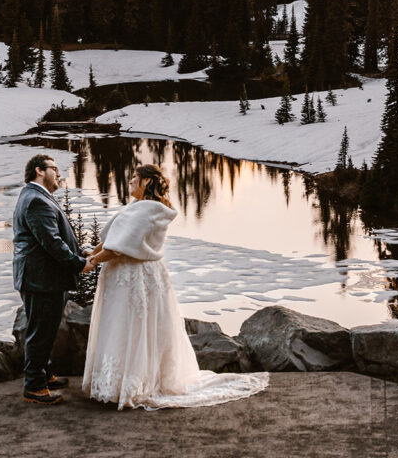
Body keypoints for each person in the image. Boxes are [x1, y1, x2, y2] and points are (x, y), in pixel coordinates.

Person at [82, 163, 269, 410]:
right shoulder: (139, 208)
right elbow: (110, 238)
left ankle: (132, 385)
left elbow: (118, 247)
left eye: (134, 178)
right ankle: (118, 383)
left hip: (134, 277)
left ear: (146, 182)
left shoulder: (146, 211)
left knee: (131, 326)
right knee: (129, 325)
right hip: (136, 276)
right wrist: (91, 254)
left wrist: (92, 262)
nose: (129, 183)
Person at [12, 153, 92, 405]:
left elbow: (54, 235)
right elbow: (51, 242)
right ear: (39, 170)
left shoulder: (36, 197)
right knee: (40, 332)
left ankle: (43, 375)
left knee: (45, 329)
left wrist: (80, 251)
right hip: (40, 280)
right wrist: (79, 264)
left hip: (43, 278)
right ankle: (34, 387)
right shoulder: (35, 200)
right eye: (54, 169)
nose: (59, 174)